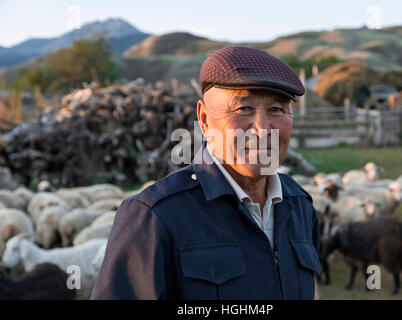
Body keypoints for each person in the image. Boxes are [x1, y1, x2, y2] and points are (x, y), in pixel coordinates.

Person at [91, 46, 321, 300]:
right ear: (204, 119)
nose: (262, 129)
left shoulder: (300, 205)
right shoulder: (154, 216)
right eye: (243, 108)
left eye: (277, 110)